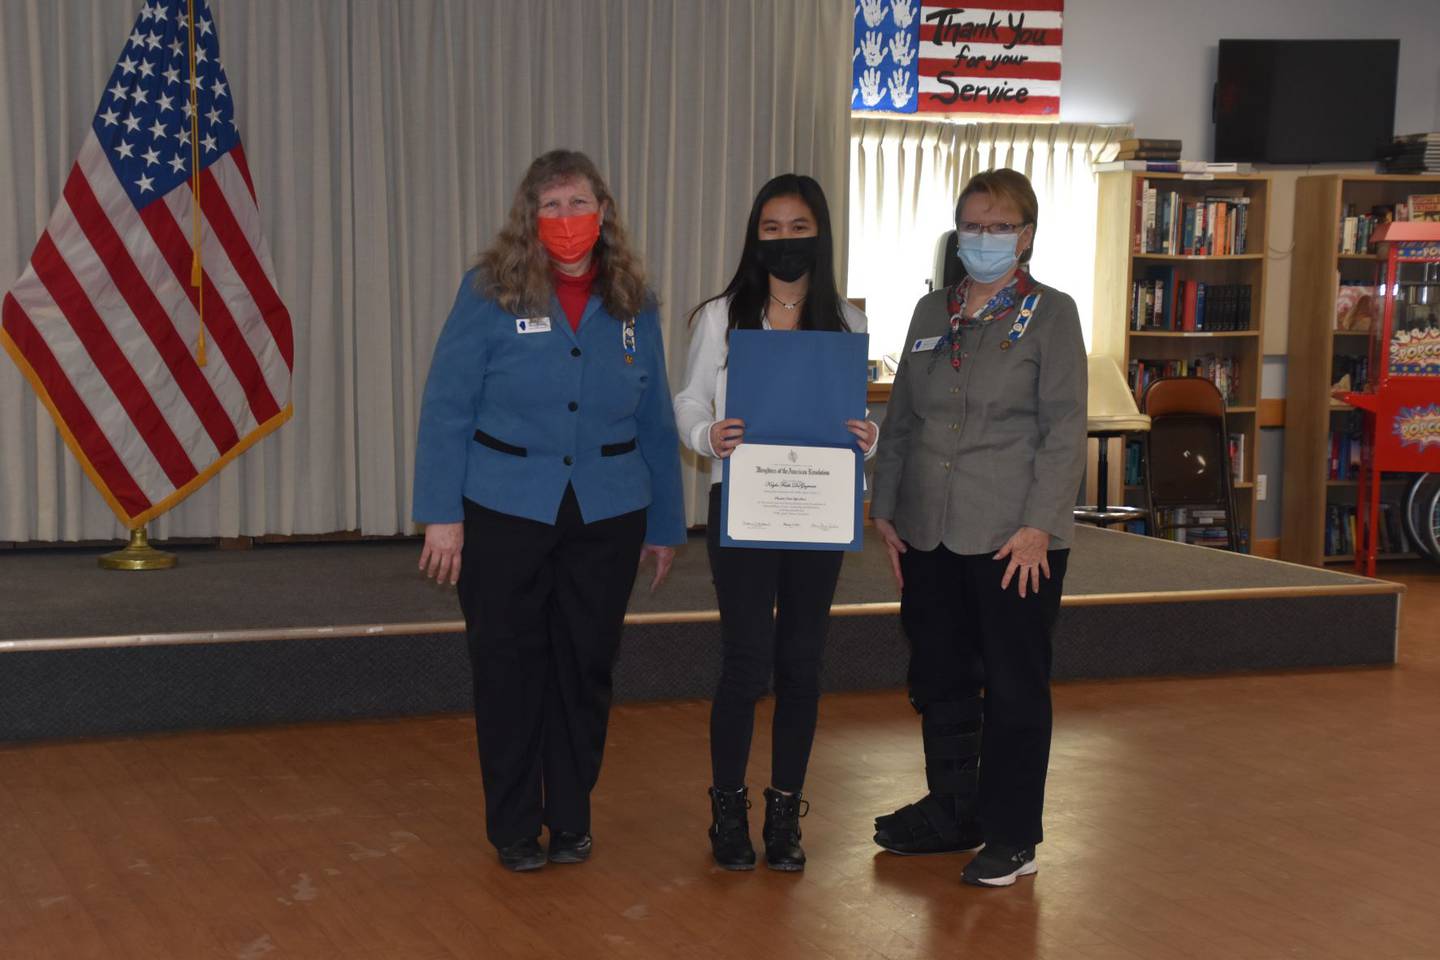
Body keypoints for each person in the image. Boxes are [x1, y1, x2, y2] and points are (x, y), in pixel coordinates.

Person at [413, 149, 686, 872]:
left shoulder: (633, 300)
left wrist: (665, 524)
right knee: (507, 665)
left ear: (604, 212)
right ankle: (512, 825)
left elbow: (656, 419)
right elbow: (447, 406)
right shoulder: (489, 291)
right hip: (504, 506)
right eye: (552, 205)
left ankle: (570, 816)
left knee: (585, 667)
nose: (567, 220)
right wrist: (442, 514)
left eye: (579, 204)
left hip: (608, 511)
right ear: (530, 217)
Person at [868, 168, 1086, 887]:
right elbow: (900, 420)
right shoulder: (933, 312)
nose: (984, 237)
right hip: (929, 529)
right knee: (939, 675)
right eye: (973, 224)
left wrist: (1039, 528)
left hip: (1012, 539)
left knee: (1016, 685)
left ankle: (1013, 834)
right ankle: (955, 808)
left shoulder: (1052, 314)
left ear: (1025, 236)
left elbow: (1063, 431)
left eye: (999, 225)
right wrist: (885, 507)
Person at [674, 174, 878, 871]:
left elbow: (858, 417)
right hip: (744, 505)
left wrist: (868, 438)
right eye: (771, 227)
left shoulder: (847, 323)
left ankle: (785, 815)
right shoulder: (721, 316)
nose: (785, 239)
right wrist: (708, 439)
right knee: (745, 663)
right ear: (753, 235)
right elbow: (689, 402)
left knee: (801, 662)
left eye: (798, 226)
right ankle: (728, 814)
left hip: (820, 511)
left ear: (819, 232)